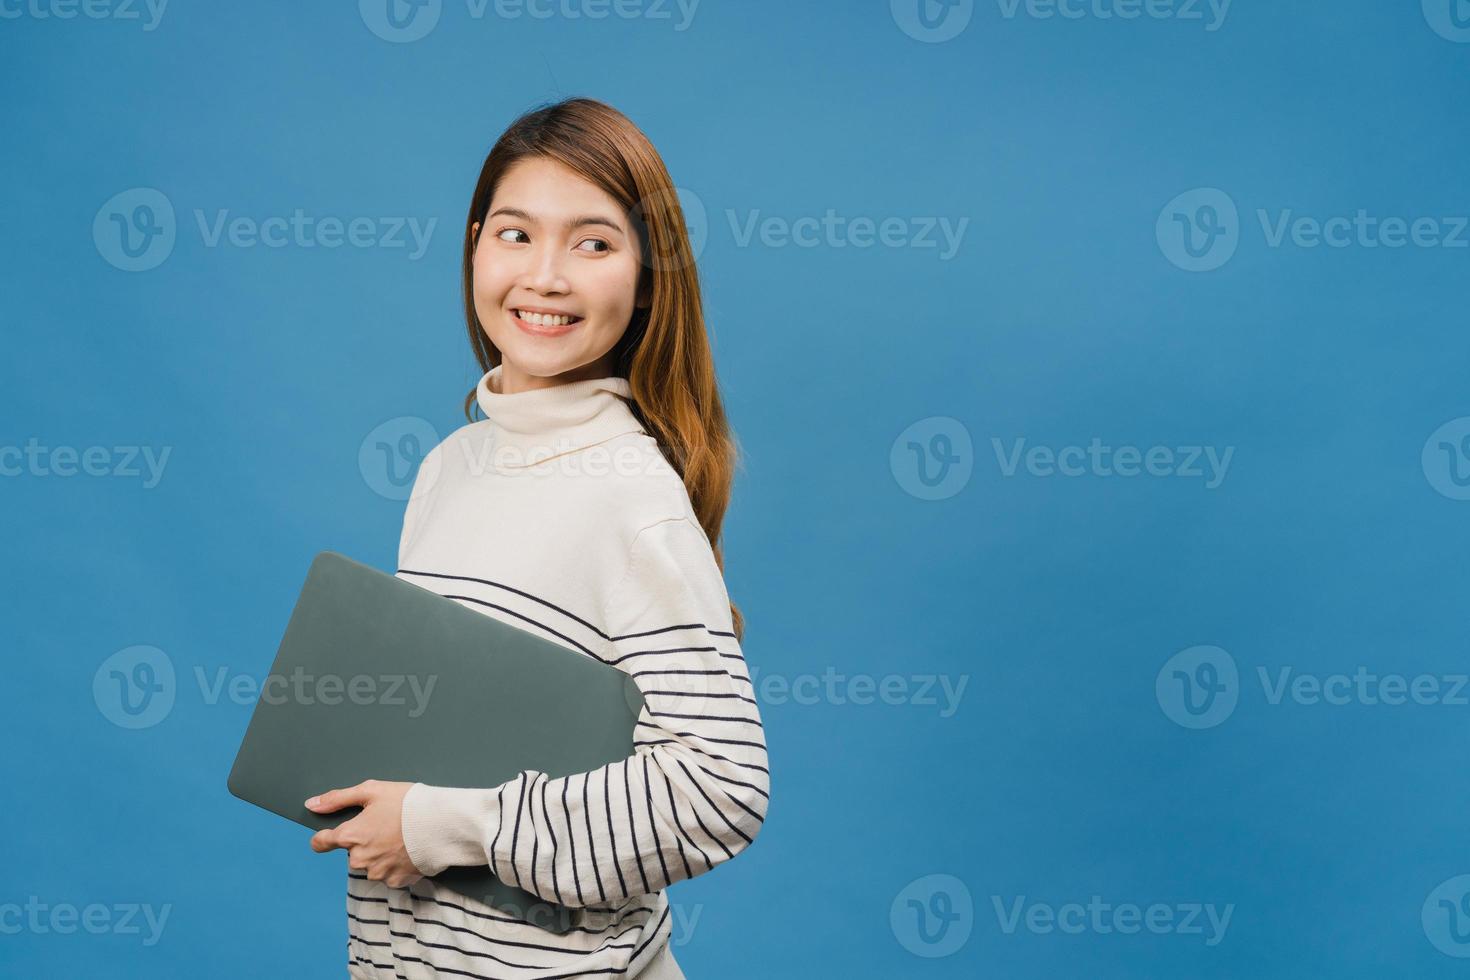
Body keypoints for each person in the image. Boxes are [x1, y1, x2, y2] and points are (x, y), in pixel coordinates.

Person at [303, 97, 770, 979]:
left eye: (592, 243)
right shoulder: (450, 465)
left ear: (645, 277)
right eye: (516, 234)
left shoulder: (632, 493)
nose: (545, 276)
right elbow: (447, 740)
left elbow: (721, 789)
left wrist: (445, 826)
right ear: (476, 243)